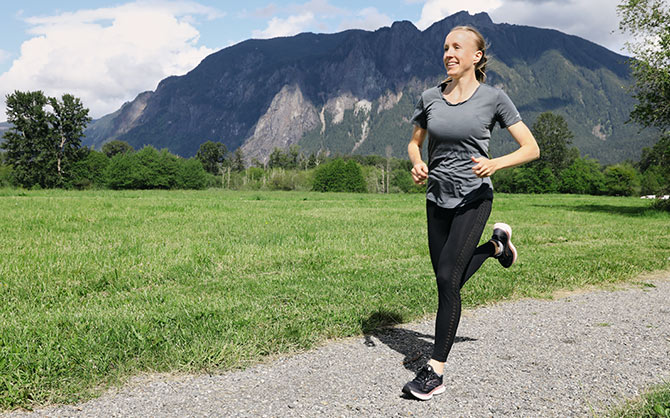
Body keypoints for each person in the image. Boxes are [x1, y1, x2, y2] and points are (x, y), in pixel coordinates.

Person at [403, 25, 540, 401]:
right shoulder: (430, 98)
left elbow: (531, 148)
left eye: (457, 47)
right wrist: (417, 163)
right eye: (445, 47)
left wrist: (495, 164)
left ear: (476, 56)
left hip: (474, 198)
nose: (448, 53)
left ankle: (435, 371)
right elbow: (415, 144)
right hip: (437, 199)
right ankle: (498, 247)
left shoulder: (494, 98)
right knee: (448, 280)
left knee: (448, 279)